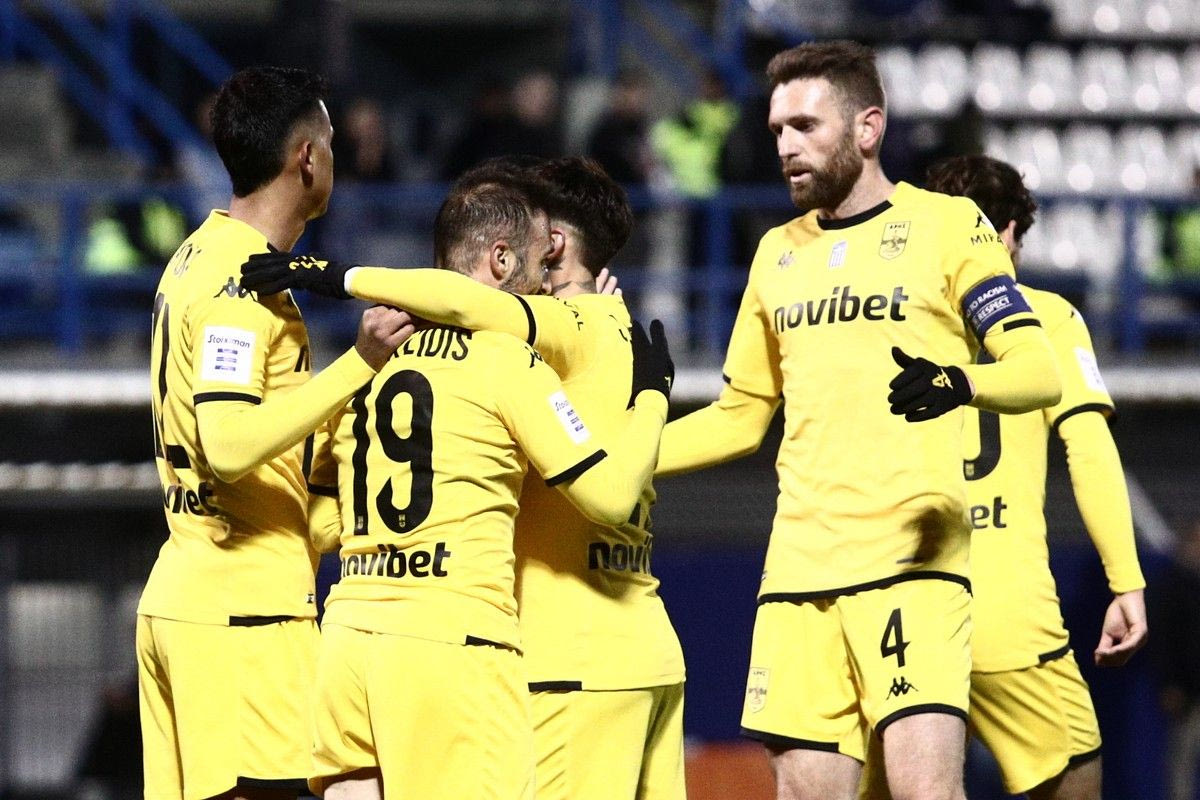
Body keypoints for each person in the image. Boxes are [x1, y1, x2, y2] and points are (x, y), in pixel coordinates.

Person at [654, 41, 1062, 800]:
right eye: (778, 130)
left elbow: (1038, 370)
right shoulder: (775, 254)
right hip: (798, 577)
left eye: (805, 126)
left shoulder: (950, 226)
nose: (786, 145)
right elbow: (740, 416)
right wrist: (623, 453)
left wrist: (959, 383)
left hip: (913, 567)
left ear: (868, 127)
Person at [242, 155, 688, 800]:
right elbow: (611, 495)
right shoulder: (508, 360)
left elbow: (321, 525)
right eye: (539, 268)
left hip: (348, 639)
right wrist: (648, 397)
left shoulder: (367, 363)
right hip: (455, 640)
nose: (546, 286)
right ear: (501, 262)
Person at [136, 66, 410, 800]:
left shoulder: (198, 256)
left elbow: (269, 465)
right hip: (243, 612)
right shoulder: (238, 287)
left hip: (188, 597)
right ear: (307, 159)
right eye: (331, 142)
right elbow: (228, 446)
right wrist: (360, 365)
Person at [859, 154, 1149, 800]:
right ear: (1011, 232)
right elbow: (1089, 448)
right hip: (1006, 613)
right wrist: (1126, 581)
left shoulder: (885, 322)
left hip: (899, 604)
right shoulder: (1047, 318)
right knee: (1076, 781)